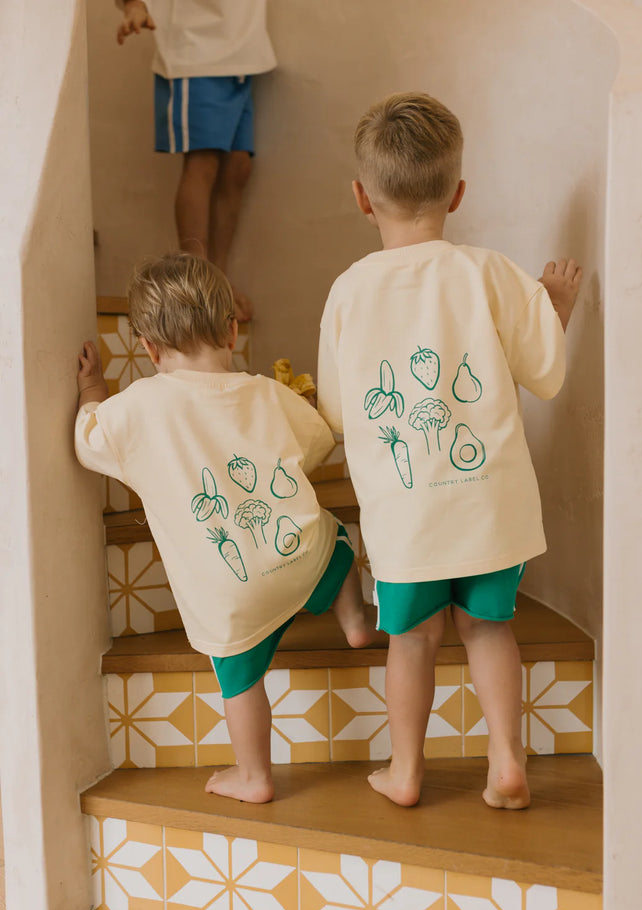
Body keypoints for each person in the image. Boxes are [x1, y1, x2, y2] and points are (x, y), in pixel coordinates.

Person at [317, 92, 582, 809]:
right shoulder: (489, 272)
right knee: (489, 627)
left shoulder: (348, 291)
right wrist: (555, 309)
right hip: (489, 505)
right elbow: (544, 372)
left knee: (412, 640)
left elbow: (338, 411)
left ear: (361, 197)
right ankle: (506, 762)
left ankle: (405, 772)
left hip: (406, 518)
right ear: (457, 193)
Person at [76, 253, 372, 803]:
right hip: (298, 555)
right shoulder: (265, 391)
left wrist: (93, 388)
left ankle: (254, 775)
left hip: (229, 594)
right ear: (233, 331)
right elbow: (316, 442)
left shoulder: (136, 408)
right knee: (331, 531)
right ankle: (354, 618)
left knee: (239, 679)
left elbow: (90, 440)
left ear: (148, 349)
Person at [115, 0, 277, 322]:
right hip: (196, 52)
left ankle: (218, 280)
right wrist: (134, 5)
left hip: (243, 53)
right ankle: (196, 285)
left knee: (238, 167)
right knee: (204, 163)